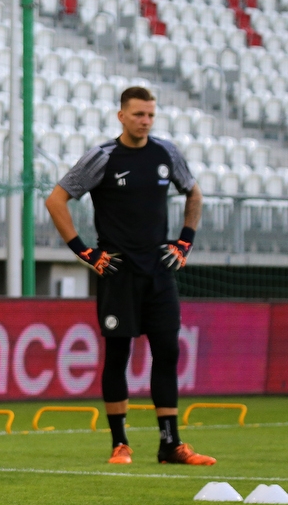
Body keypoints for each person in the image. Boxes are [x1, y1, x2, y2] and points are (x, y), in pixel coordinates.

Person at [45, 86, 214, 466]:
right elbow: (56, 200)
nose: (146, 121)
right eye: (139, 114)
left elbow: (195, 194)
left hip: (158, 270)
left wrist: (184, 243)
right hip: (118, 271)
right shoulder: (102, 157)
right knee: (118, 354)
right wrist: (85, 252)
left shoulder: (166, 152)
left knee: (167, 352)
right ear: (121, 116)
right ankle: (120, 444)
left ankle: (170, 444)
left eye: (151, 115)